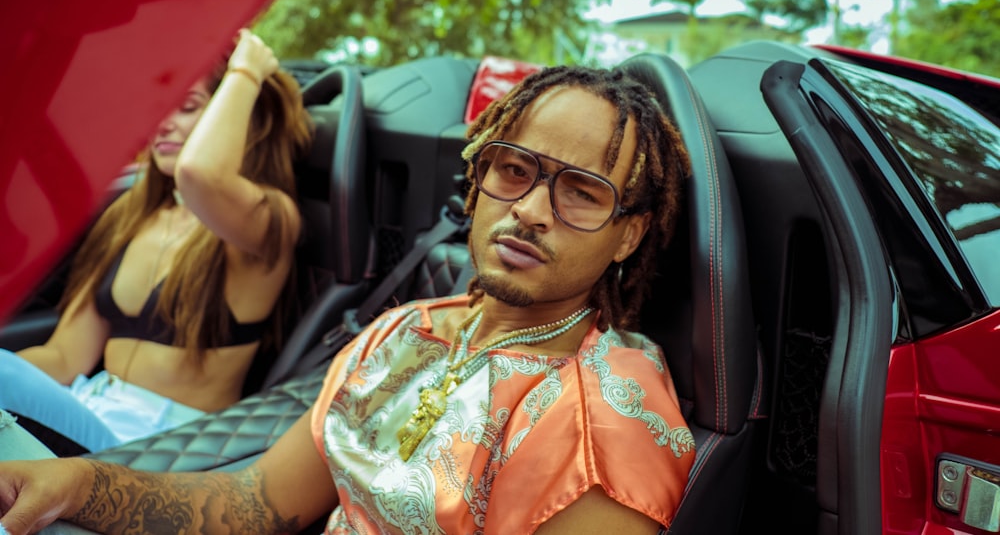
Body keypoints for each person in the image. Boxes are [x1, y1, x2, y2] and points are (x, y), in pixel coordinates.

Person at [0, 64, 696, 535]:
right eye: (513, 170)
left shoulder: (608, 421)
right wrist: (77, 486)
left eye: (580, 192)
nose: (533, 209)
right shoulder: (405, 333)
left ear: (630, 233)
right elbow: (251, 501)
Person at [0, 29, 314, 453]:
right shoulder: (133, 215)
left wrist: (248, 67)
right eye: (162, 106)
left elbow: (200, 173)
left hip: (164, 449)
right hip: (90, 408)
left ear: (243, 116)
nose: (162, 120)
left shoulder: (270, 220)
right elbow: (64, 358)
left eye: (188, 107)